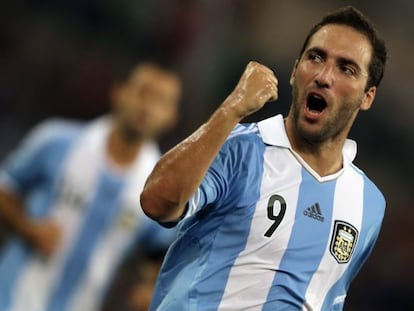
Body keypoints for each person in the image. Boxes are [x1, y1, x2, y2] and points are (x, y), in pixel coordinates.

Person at [140, 6, 387, 310]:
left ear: (367, 96)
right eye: (316, 57)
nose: (324, 76)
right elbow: (156, 202)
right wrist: (231, 109)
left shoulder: (368, 204)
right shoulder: (240, 148)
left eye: (346, 68)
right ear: (295, 71)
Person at [0, 62, 181, 311]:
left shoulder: (158, 188)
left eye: (160, 101)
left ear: (171, 116)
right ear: (119, 92)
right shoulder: (57, 141)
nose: (147, 107)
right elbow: (6, 186)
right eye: (143, 92)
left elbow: (161, 252)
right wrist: (28, 228)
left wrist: (151, 289)